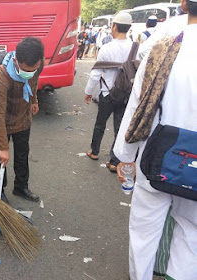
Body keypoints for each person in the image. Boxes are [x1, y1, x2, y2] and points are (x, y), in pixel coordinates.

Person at [114, 0, 197, 279]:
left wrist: (126, 157)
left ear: (185, 5)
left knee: (144, 230)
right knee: (192, 233)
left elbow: (138, 108)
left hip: (157, 155)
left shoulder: (163, 50)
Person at [0, 37, 44, 203]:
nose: (30, 72)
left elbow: (33, 81)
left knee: (22, 154)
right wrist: (3, 148)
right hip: (3, 122)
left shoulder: (37, 65)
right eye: (25, 69)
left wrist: (34, 100)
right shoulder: (2, 76)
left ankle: (21, 186)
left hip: (23, 117)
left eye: (33, 68)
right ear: (15, 60)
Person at [83, 13, 136, 173]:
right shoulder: (135, 48)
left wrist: (88, 92)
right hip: (125, 95)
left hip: (107, 94)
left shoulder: (106, 48)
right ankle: (114, 161)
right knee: (120, 127)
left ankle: (94, 151)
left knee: (100, 123)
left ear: (114, 26)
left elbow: (96, 74)